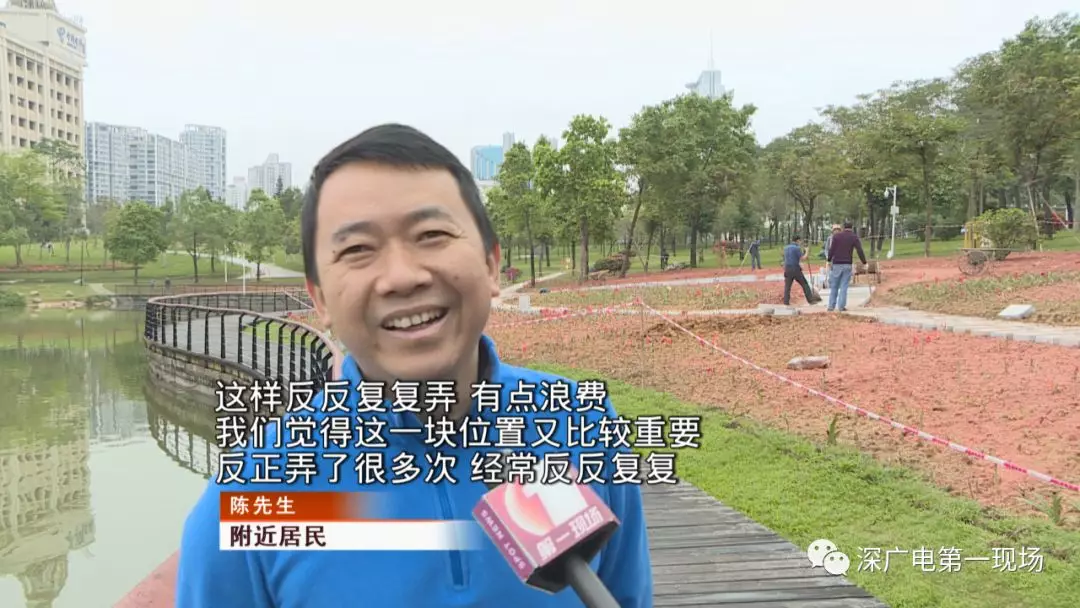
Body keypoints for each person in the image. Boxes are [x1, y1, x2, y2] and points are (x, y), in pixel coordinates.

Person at [176, 124, 653, 607]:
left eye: (431, 234)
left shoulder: (580, 421)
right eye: (357, 249)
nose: (401, 277)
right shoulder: (249, 497)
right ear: (319, 299)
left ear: (491, 265)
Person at [826, 221, 867, 312]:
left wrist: (829, 260)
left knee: (834, 286)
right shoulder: (854, 237)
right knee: (844, 286)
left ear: (843, 227)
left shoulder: (836, 236)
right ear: (852, 228)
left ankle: (831, 306)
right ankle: (841, 306)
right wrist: (864, 262)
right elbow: (859, 250)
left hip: (837, 263)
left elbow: (832, 249)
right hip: (847, 264)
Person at [782, 235, 819, 306]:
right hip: (795, 269)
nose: (800, 243)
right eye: (800, 241)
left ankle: (786, 302)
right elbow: (803, 258)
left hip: (787, 268)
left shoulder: (786, 248)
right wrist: (807, 251)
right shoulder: (797, 248)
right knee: (805, 284)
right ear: (797, 240)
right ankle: (811, 300)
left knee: (787, 287)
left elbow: (790, 258)